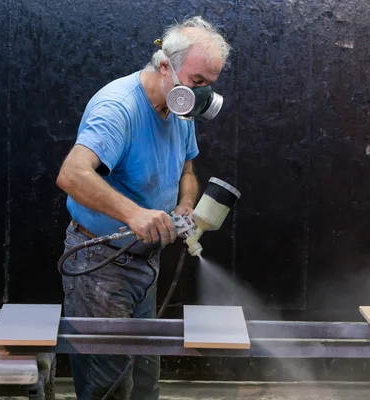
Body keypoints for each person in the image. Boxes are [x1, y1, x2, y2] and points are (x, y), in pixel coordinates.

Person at [55, 16, 231, 400]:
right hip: (101, 266)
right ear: (165, 65)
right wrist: (135, 214)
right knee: (109, 385)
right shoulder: (118, 108)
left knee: (145, 378)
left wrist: (186, 202)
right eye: (197, 82)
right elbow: (72, 174)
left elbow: (186, 169)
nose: (201, 95)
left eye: (209, 86)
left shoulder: (180, 110)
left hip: (143, 264)